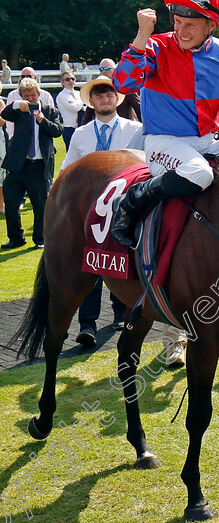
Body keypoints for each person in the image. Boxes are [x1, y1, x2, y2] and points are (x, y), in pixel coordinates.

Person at [111, 0, 219, 246]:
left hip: (209, 142)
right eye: (177, 22)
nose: (182, 31)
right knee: (200, 174)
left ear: (212, 25)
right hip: (162, 142)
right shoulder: (155, 47)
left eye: (190, 24)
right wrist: (143, 34)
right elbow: (122, 82)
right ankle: (131, 201)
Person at [61, 76, 143, 346]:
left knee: (122, 259)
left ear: (117, 99)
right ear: (92, 102)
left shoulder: (136, 129)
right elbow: (67, 170)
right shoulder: (81, 134)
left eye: (109, 95)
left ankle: (121, 311)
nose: (105, 100)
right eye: (99, 96)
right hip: (89, 213)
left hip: (124, 209)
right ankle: (88, 324)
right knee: (91, 263)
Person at [1, 78, 62, 249]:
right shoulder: (18, 110)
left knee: (40, 206)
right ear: (21, 96)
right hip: (18, 165)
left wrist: (42, 120)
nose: (30, 99)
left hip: (39, 166)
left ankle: (40, 239)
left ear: (39, 94)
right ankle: (16, 238)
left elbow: (58, 131)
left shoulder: (50, 110)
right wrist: (15, 104)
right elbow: (4, 115)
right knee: (12, 205)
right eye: (26, 96)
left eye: (33, 96)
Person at [81, 58, 141, 124]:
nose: (103, 71)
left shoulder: (125, 87)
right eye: (101, 69)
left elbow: (138, 109)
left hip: (124, 128)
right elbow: (88, 115)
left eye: (107, 68)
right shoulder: (95, 89)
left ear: (115, 70)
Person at [56, 72, 84, 149]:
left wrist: (78, 103)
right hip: (70, 129)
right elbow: (74, 108)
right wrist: (82, 100)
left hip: (82, 127)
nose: (71, 81)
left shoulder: (79, 93)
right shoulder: (61, 96)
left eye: (73, 79)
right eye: (67, 79)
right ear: (62, 82)